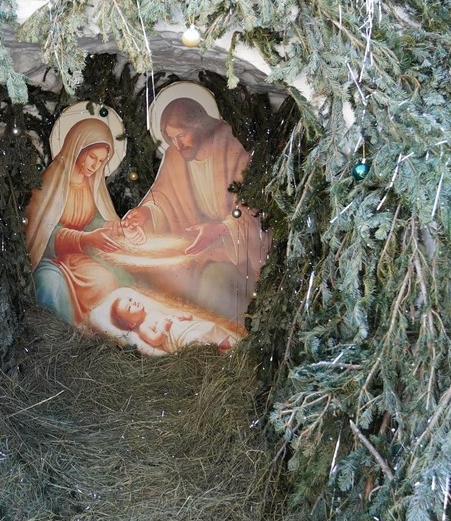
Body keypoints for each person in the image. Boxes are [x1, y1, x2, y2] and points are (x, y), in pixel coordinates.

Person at [122, 96, 270, 319]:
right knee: (153, 274)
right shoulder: (175, 155)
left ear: (200, 126)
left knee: (213, 281)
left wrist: (220, 230)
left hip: (234, 251)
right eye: (172, 138)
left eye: (182, 135)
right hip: (193, 247)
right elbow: (163, 197)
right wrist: (146, 212)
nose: (178, 145)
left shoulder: (233, 148)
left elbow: (254, 205)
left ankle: (211, 333)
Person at [25, 118, 137, 324]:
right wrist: (85, 239)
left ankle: (99, 332)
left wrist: (111, 227)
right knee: (49, 286)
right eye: (92, 157)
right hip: (51, 259)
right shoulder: (51, 182)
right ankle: (67, 335)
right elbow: (44, 233)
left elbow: (92, 220)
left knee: (108, 279)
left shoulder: (91, 184)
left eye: (101, 161)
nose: (95, 166)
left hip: (80, 257)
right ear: (77, 149)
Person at [109, 289, 237, 354]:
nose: (133, 303)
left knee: (210, 327)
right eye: (129, 307)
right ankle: (219, 352)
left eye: (131, 300)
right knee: (196, 339)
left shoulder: (154, 312)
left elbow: (171, 316)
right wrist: (162, 329)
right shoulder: (143, 327)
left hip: (187, 327)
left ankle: (230, 345)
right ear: (131, 323)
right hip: (180, 338)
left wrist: (182, 316)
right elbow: (155, 340)